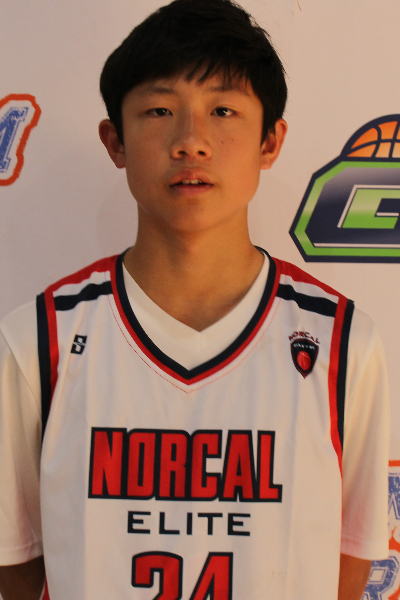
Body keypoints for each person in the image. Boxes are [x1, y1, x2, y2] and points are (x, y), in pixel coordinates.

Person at [0, 0, 390, 599]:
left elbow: (349, 557)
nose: (191, 142)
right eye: (159, 110)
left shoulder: (342, 342)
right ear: (115, 140)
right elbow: (17, 562)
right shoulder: (38, 340)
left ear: (270, 141)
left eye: (223, 110)